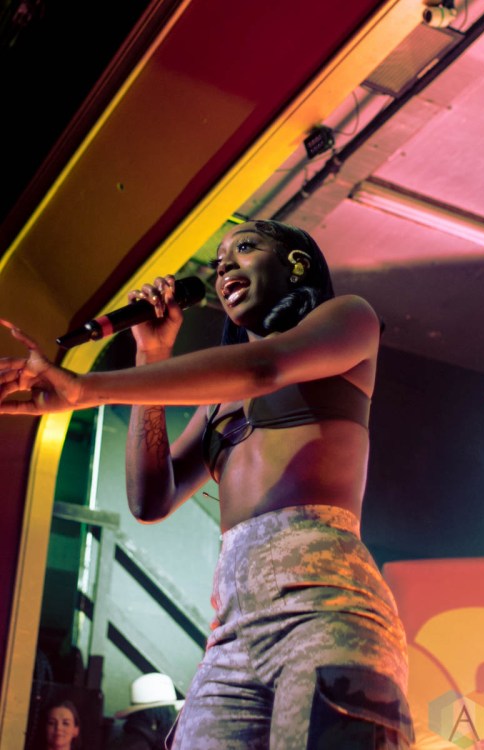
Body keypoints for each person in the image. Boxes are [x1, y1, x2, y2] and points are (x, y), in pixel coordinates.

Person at [1, 219, 414, 748]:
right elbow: (152, 499)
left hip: (325, 607)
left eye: (245, 248)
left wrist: (85, 389)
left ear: (296, 264)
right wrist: (151, 355)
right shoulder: (220, 401)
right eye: (218, 264)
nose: (224, 268)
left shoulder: (350, 317)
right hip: (231, 633)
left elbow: (266, 367)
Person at [107, 673, 183, 750]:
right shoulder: (138, 746)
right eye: (170, 715)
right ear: (155, 721)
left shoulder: (132, 739)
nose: (174, 721)